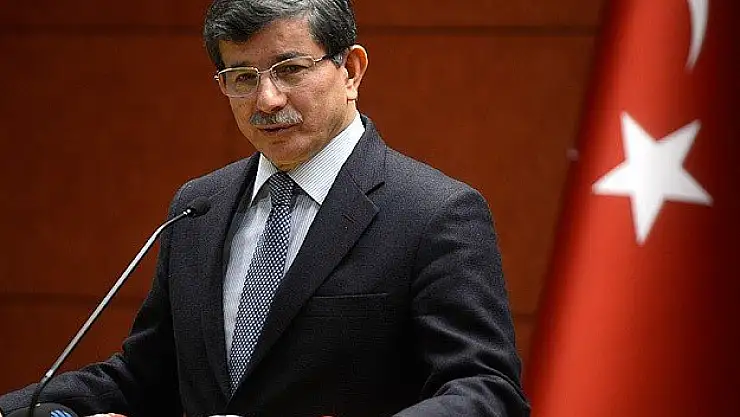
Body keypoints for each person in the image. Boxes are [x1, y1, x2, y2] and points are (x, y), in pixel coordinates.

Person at [0, 0, 530, 416]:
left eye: (290, 69)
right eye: (243, 77)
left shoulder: (434, 212)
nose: (267, 100)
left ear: (351, 70)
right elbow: (147, 376)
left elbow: (484, 390)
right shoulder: (198, 207)